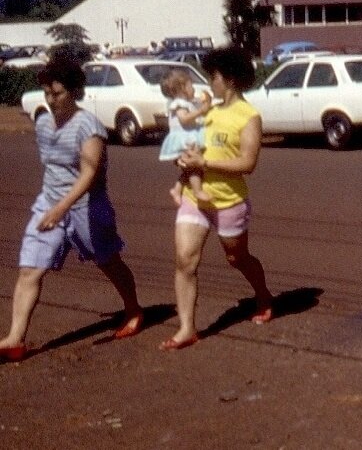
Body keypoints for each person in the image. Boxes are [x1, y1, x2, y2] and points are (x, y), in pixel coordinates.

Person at [1, 56, 144, 362]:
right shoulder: (41, 122)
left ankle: (133, 309)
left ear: (75, 92)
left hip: (87, 207)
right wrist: (51, 207)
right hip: (48, 203)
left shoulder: (88, 127)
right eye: (47, 94)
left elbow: (89, 174)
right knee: (30, 269)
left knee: (108, 261)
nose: (51, 100)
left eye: (58, 93)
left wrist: (61, 209)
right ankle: (15, 338)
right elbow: (51, 168)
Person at [163, 46, 275, 350]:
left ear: (230, 79)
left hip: (228, 200)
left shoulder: (248, 116)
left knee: (236, 258)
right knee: (185, 259)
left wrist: (205, 163)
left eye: (213, 76)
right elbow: (185, 140)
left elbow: (247, 163)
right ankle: (187, 327)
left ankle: (263, 295)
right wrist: (182, 158)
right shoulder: (205, 110)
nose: (209, 82)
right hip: (194, 196)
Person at [159, 69, 212, 204]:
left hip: (187, 137)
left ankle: (177, 189)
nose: (194, 89)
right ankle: (197, 191)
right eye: (191, 86)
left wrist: (206, 104)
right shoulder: (178, 104)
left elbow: (199, 109)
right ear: (182, 88)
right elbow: (184, 119)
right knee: (194, 166)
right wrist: (200, 111)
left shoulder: (187, 102)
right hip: (183, 139)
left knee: (188, 168)